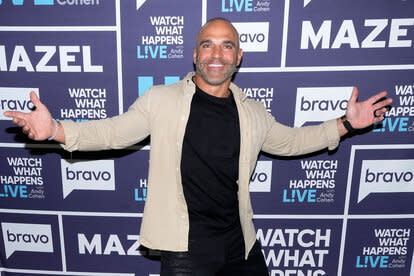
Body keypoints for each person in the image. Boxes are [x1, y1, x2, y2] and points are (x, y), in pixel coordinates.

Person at [4, 17, 392, 275]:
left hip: (242, 243)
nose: (216, 54)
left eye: (226, 46)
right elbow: (115, 132)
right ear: (195, 54)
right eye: (207, 45)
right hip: (186, 251)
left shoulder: (252, 112)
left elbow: (291, 141)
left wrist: (343, 124)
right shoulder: (162, 99)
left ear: (239, 57)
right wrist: (56, 129)